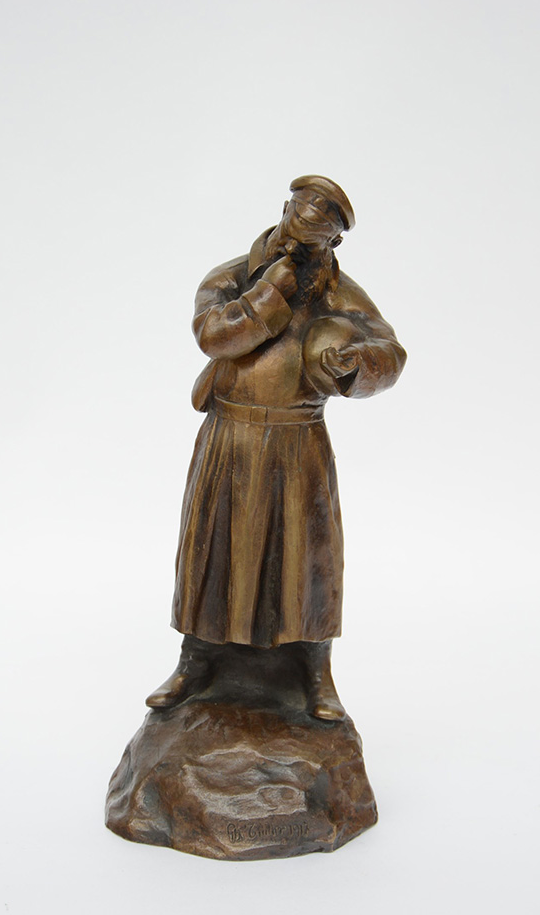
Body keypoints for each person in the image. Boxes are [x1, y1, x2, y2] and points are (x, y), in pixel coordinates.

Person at [147, 176, 406, 719]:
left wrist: (356, 363)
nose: (301, 231)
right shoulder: (232, 278)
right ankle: (195, 662)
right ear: (285, 208)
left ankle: (316, 672)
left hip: (298, 440)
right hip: (231, 436)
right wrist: (270, 293)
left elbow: (388, 349)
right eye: (299, 215)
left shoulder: (338, 292)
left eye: (318, 230)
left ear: (334, 241)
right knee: (211, 552)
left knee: (308, 560)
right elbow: (215, 336)